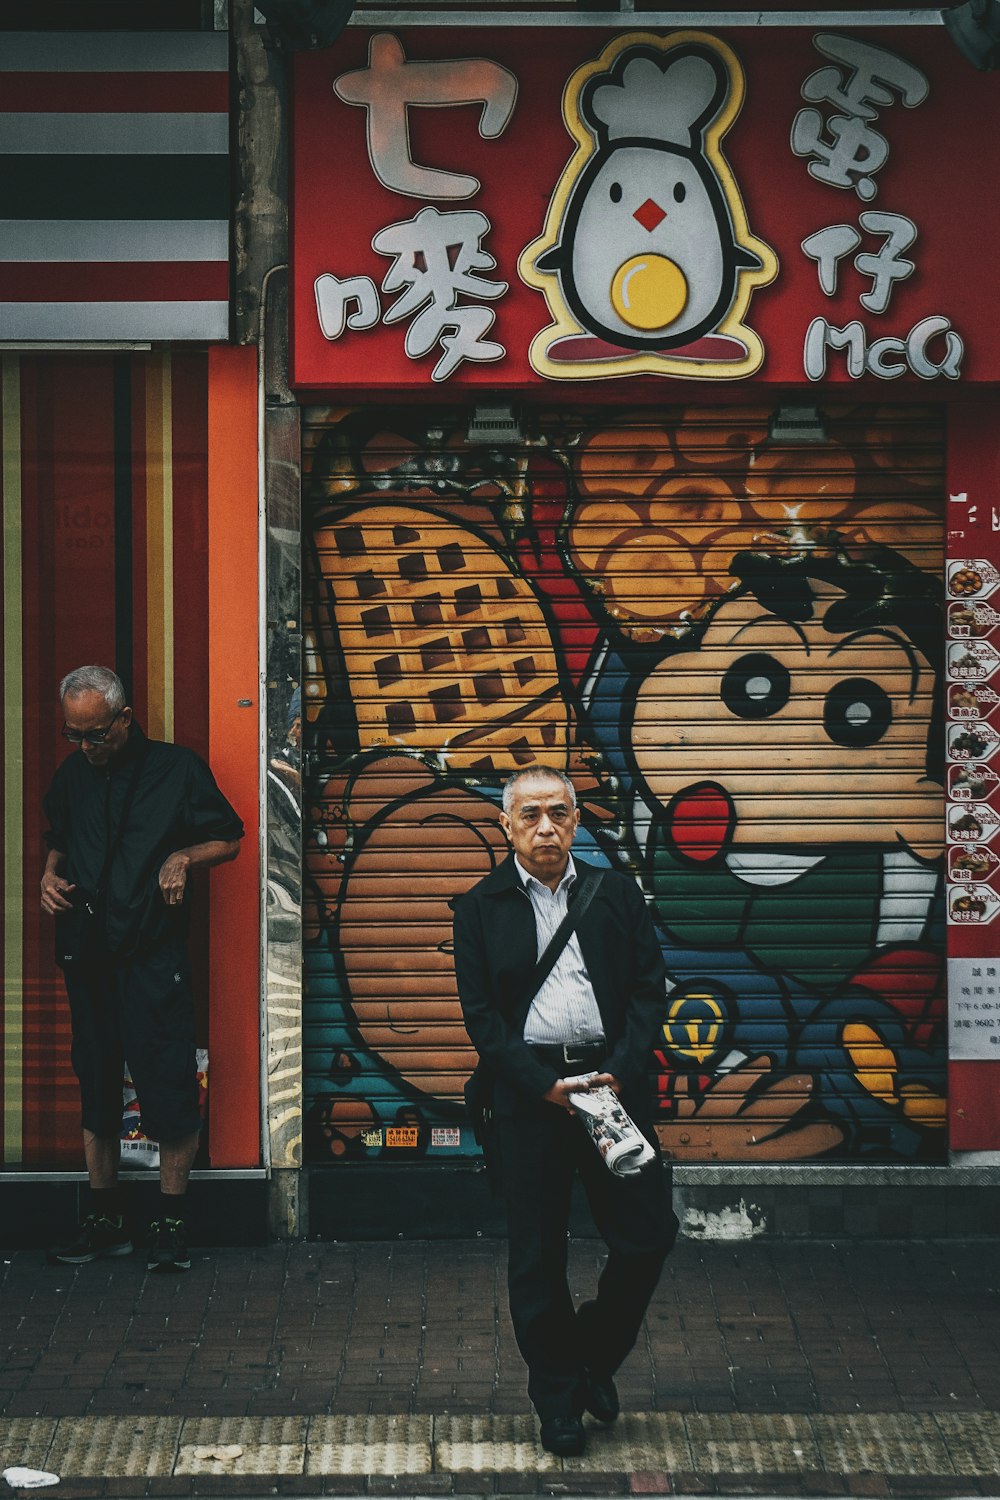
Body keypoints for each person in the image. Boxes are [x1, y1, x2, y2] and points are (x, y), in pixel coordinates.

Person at [453, 765, 678, 1457]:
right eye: (530, 815)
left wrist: (624, 1068)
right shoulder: (479, 907)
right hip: (531, 1095)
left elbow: (648, 990)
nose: (545, 826)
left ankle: (591, 1359)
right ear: (506, 825)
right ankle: (557, 1397)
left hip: (611, 1087)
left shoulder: (615, 894)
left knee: (647, 1234)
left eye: (558, 813)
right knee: (537, 1255)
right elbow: (482, 1019)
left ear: (577, 821)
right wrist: (540, 1085)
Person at [40, 666, 243, 1273]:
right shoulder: (73, 773)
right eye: (74, 735)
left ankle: (171, 1223)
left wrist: (183, 855)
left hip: (153, 953)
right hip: (88, 952)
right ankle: (105, 1221)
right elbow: (61, 835)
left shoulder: (177, 769)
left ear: (125, 718)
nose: (86, 746)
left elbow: (229, 837)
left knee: (167, 1082)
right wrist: (49, 874)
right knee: (96, 1079)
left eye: (96, 733)